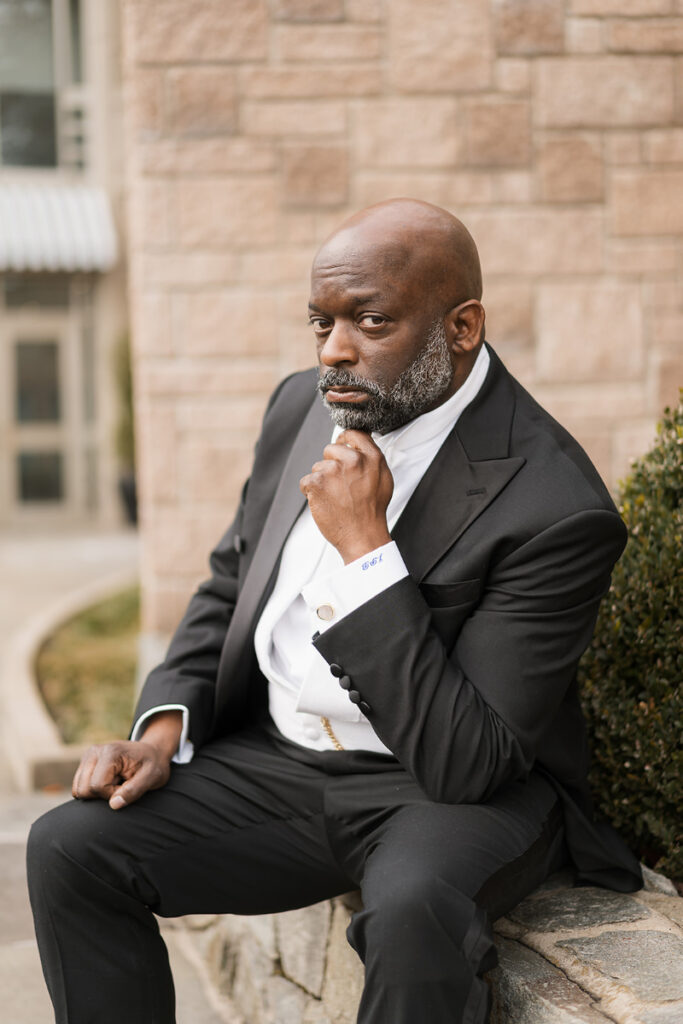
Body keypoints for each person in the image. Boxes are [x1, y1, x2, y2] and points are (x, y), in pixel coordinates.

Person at [28, 199, 641, 1024]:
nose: (333, 352)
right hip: (280, 761)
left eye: (370, 321)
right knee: (72, 847)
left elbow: (471, 762)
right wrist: (165, 724)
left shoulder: (554, 505)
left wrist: (366, 551)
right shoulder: (301, 407)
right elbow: (227, 585)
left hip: (442, 793)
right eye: (320, 322)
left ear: (460, 328)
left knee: (415, 913)